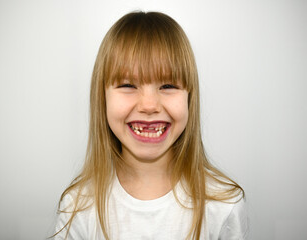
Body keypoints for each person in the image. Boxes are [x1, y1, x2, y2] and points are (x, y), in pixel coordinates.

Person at [53, 11, 248, 240]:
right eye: (128, 84)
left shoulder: (224, 205)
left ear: (189, 98)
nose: (149, 105)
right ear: (102, 98)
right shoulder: (78, 207)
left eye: (167, 85)